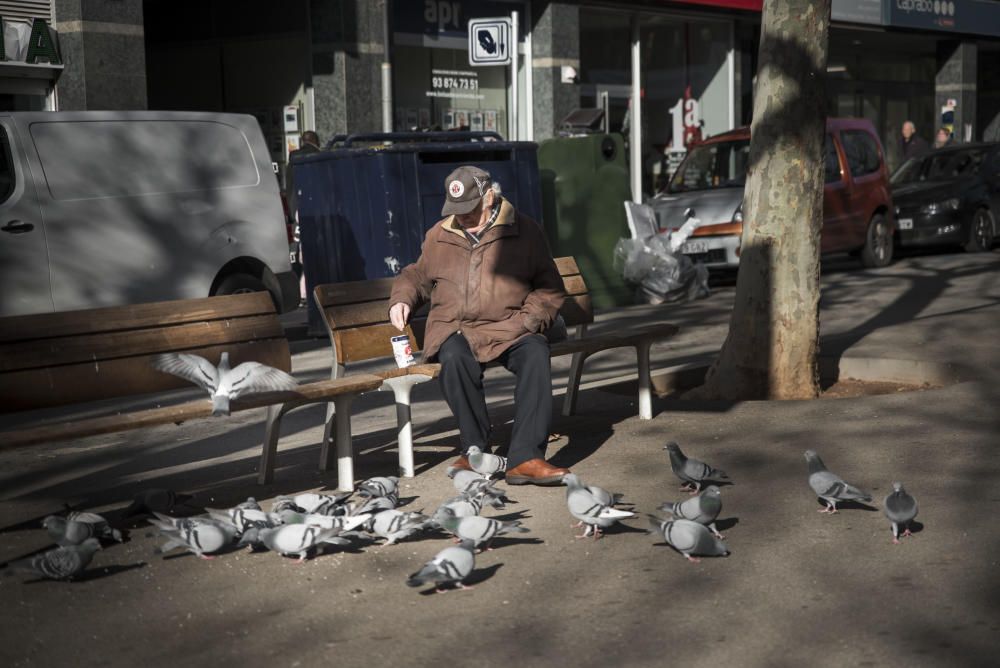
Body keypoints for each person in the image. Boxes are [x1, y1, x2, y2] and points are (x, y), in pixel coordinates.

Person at [388, 166, 571, 485]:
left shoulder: (524, 231)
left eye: (470, 211)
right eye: (456, 211)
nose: (463, 218)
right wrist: (402, 299)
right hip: (455, 327)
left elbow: (549, 288)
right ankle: (475, 450)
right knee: (454, 357)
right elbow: (417, 276)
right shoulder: (439, 234)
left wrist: (529, 321)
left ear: (490, 197)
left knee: (535, 353)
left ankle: (525, 457)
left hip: (510, 327)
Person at [287, 131, 321, 306]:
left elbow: (289, 186)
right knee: (312, 254)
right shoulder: (318, 156)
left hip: (296, 212)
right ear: (316, 142)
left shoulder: (292, 158)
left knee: (298, 252)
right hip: (314, 211)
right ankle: (308, 292)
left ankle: (299, 293)